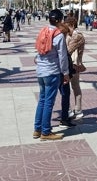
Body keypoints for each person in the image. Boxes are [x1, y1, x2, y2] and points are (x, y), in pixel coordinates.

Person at [33, 9, 70, 141]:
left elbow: (39, 48)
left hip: (41, 71)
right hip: (52, 71)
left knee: (42, 100)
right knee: (49, 102)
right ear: (60, 20)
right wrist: (65, 73)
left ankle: (37, 129)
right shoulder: (58, 35)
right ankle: (46, 132)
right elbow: (62, 56)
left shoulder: (43, 31)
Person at [67, 18, 86, 120]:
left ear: (72, 25)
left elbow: (68, 50)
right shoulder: (71, 35)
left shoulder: (77, 36)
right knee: (72, 87)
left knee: (73, 87)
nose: (66, 28)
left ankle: (77, 110)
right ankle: (73, 109)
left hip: (74, 65)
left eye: (67, 26)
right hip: (70, 64)